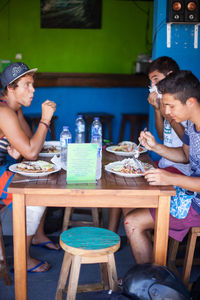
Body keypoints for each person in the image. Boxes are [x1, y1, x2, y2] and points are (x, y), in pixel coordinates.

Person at [124, 70, 200, 264]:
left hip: (197, 205)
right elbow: (184, 157)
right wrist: (155, 146)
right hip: (190, 194)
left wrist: (169, 178)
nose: (166, 112)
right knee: (131, 198)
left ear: (190, 102)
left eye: (170, 105)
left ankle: (151, 284)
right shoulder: (192, 126)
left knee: (132, 221)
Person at [108, 56, 191, 233]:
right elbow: (163, 135)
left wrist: (165, 111)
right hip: (166, 163)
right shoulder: (167, 104)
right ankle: (121, 231)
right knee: (122, 180)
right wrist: (157, 110)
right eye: (150, 81)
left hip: (180, 172)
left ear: (169, 75)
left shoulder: (181, 103)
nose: (152, 85)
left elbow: (187, 142)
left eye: (155, 79)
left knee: (128, 191)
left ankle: (137, 227)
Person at [0, 62, 58, 272]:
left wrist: (20, 147)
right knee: (34, 192)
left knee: (43, 177)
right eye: (26, 85)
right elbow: (32, 152)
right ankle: (22, 258)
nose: (33, 90)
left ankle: (37, 235)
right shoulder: (3, 111)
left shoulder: (13, 110)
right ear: (10, 88)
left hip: (2, 167)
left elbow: (29, 143)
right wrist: (45, 119)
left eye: (33, 85)